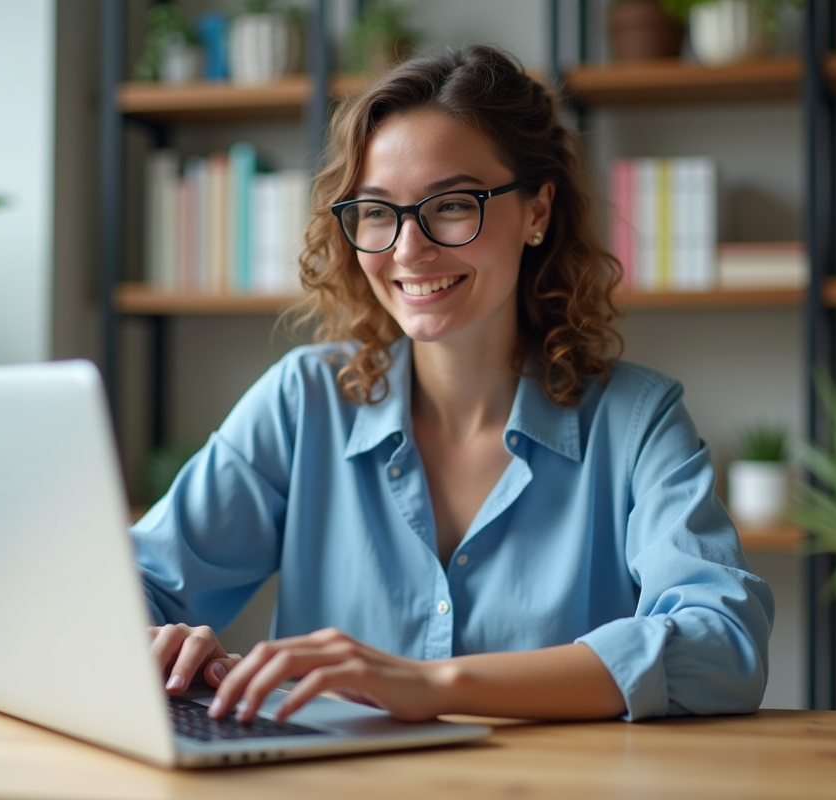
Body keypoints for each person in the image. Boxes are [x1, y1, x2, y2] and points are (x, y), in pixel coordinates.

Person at [132, 45, 774, 725]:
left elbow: (722, 646)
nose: (408, 249)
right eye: (376, 212)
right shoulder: (303, 401)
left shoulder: (636, 422)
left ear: (537, 211)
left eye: (453, 205)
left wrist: (436, 684)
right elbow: (128, 584)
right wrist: (158, 640)